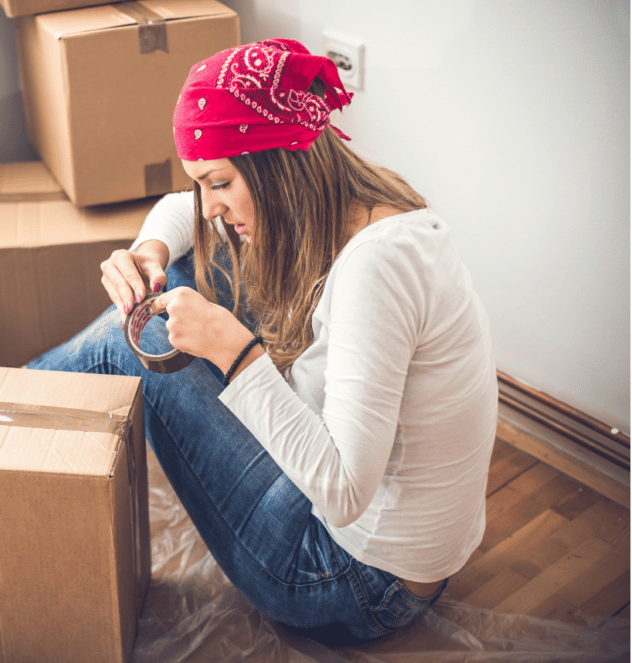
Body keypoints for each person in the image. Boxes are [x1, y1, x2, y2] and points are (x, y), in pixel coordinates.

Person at [28, 38, 498, 644]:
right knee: (174, 273)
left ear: (278, 161)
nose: (209, 204)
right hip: (392, 547)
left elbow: (345, 491)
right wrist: (150, 250)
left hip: (350, 575)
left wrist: (234, 351)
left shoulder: (375, 272)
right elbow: (185, 209)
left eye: (219, 181)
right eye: (203, 182)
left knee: (125, 340)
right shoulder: (363, 200)